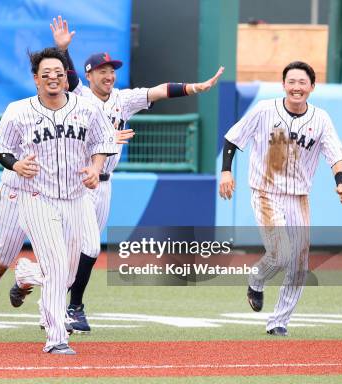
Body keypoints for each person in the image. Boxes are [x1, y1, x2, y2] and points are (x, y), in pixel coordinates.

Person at [50, 16, 224, 332]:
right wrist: (62, 50)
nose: (109, 75)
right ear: (89, 75)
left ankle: (53, 299)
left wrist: (194, 87)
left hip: (104, 186)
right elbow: (69, 76)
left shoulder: (123, 99)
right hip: (77, 183)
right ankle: (70, 306)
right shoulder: (79, 96)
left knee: (85, 249)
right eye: (102, 71)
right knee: (79, 248)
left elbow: (158, 91)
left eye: (112, 70)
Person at [0, 47, 118, 355]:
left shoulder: (86, 108)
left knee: (83, 258)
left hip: (76, 197)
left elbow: (103, 141)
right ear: (36, 79)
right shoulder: (18, 110)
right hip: (38, 197)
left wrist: (96, 167)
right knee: (58, 266)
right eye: (46, 74)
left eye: (58, 73)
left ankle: (26, 275)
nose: (53, 78)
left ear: (66, 77)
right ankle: (56, 338)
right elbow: (1, 148)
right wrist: (16, 165)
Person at [219, 61, 342, 336]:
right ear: (283, 85)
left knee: (300, 264)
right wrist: (226, 172)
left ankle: (278, 321)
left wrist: (341, 183)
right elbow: (233, 137)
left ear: (312, 87)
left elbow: (335, 154)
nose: (296, 87)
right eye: (291, 81)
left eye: (302, 82)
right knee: (280, 254)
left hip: (298, 197)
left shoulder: (320, 118)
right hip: (266, 191)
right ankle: (257, 279)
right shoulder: (266, 110)